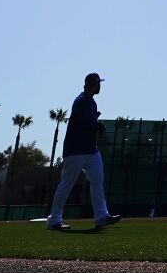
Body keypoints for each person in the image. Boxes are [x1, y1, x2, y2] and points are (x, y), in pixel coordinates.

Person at [45, 72, 122, 231]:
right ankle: (54, 220)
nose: (100, 86)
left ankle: (101, 216)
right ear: (94, 84)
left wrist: (95, 123)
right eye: (99, 83)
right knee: (66, 184)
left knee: (97, 180)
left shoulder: (91, 102)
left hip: (90, 150)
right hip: (75, 150)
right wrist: (96, 124)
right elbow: (83, 122)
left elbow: (88, 122)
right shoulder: (81, 101)